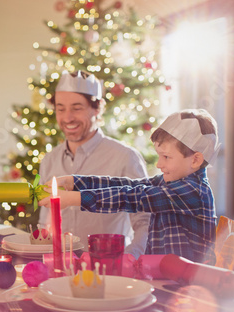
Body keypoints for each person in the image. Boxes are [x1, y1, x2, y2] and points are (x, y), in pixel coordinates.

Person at [40, 109, 219, 264]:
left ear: (195, 159)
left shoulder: (193, 191)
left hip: (188, 288)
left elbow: (134, 197)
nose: (158, 164)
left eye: (166, 157)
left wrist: (75, 199)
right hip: (163, 277)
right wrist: (76, 182)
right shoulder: (169, 182)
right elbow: (128, 184)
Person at [38, 70, 150, 258]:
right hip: (60, 269)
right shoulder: (49, 160)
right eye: (60, 108)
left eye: (77, 108)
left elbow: (145, 223)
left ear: (97, 108)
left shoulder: (125, 157)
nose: (67, 118)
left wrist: (129, 259)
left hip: (110, 269)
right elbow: (45, 222)